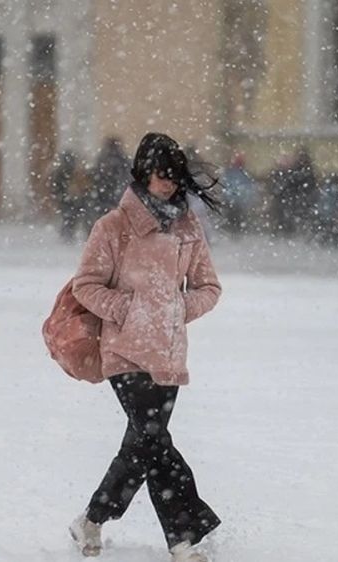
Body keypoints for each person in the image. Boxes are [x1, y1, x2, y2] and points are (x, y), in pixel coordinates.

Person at [68, 132, 222, 562]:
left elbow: (209, 287)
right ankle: (182, 538)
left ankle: (92, 519)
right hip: (124, 353)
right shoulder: (113, 226)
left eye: (174, 176)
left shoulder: (189, 228)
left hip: (168, 356)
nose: (168, 183)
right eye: (160, 174)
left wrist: (175, 310)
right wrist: (129, 310)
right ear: (141, 172)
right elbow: (86, 285)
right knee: (152, 437)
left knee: (143, 444)